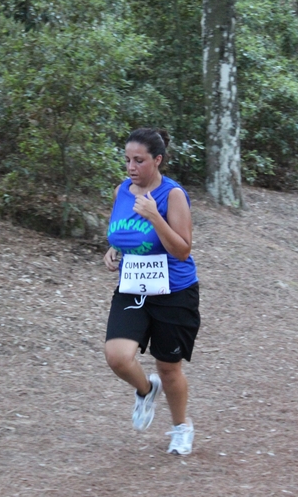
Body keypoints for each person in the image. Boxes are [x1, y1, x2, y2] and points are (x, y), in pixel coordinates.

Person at [103, 127, 200, 455]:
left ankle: (181, 427)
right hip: (132, 288)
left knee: (168, 368)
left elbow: (183, 250)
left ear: (157, 160)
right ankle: (145, 391)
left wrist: (156, 217)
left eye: (139, 160)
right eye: (128, 159)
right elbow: (121, 233)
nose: (131, 166)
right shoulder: (122, 191)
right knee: (117, 358)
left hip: (174, 292)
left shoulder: (172, 195)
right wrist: (113, 251)